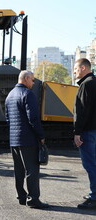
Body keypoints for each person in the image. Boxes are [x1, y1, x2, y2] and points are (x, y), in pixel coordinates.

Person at [5, 70, 49, 209]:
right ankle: (33, 199)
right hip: (28, 140)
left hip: (14, 140)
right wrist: (41, 136)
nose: (34, 83)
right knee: (32, 170)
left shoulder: (10, 95)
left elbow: (8, 119)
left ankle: (22, 197)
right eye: (33, 80)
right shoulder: (28, 94)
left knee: (18, 170)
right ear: (26, 79)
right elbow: (34, 119)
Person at [73, 58, 96, 209]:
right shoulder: (94, 82)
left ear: (83, 68)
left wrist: (77, 132)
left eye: (75, 68)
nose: (74, 71)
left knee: (90, 164)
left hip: (88, 132)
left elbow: (82, 111)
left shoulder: (86, 85)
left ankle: (94, 197)